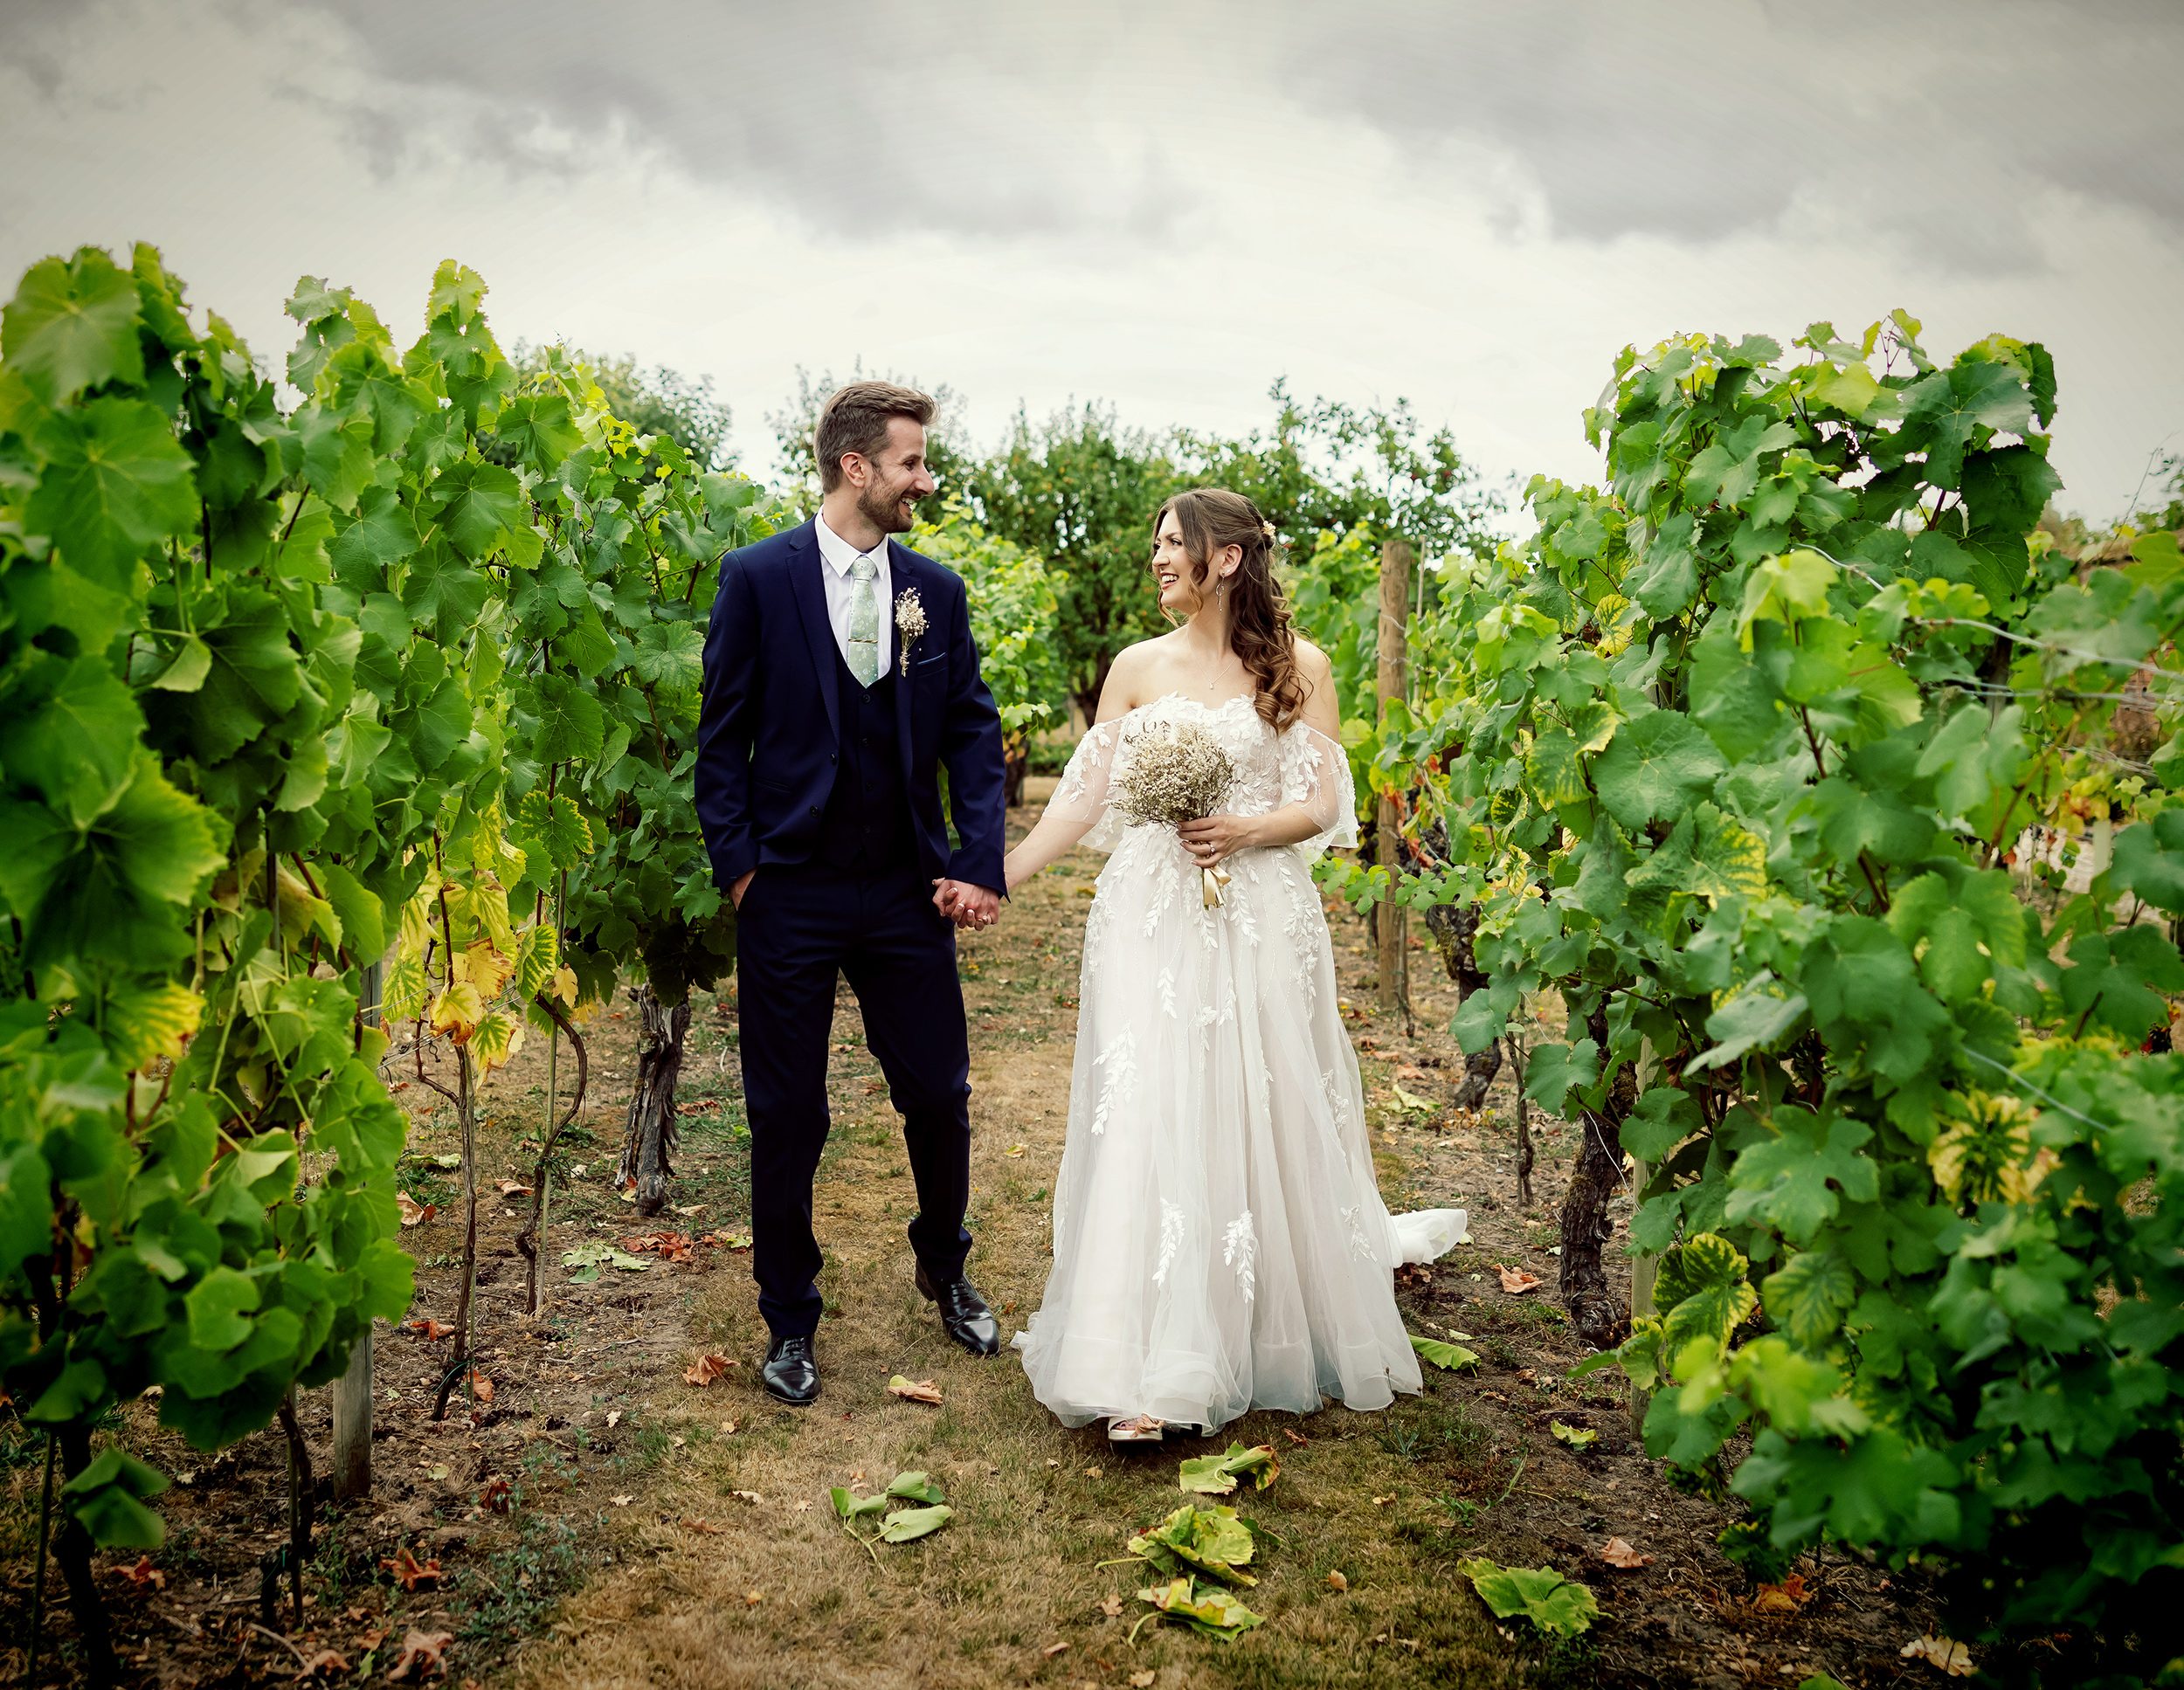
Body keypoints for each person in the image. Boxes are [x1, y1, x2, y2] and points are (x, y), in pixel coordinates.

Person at [1003, 487, 1466, 1445]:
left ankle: (1249, 1326)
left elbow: (1322, 804)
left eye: (1173, 542)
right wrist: (996, 878)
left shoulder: (1301, 667)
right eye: (1156, 543)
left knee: (1256, 1097)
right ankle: (1135, 1358)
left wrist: (1243, 830)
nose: (1157, 559)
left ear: (1224, 558)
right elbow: (1083, 800)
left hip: (1258, 913)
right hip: (1149, 917)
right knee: (1150, 1102)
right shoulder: (1134, 667)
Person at [695, 380, 1010, 1406]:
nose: (927, 480)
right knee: (787, 1111)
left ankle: (944, 1264)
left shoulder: (935, 592)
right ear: (855, 466)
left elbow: (971, 731)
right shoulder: (756, 578)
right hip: (789, 891)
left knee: (939, 1094)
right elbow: (720, 740)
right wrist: (743, 871)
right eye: (912, 462)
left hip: (907, 891)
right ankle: (789, 1316)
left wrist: (978, 861)